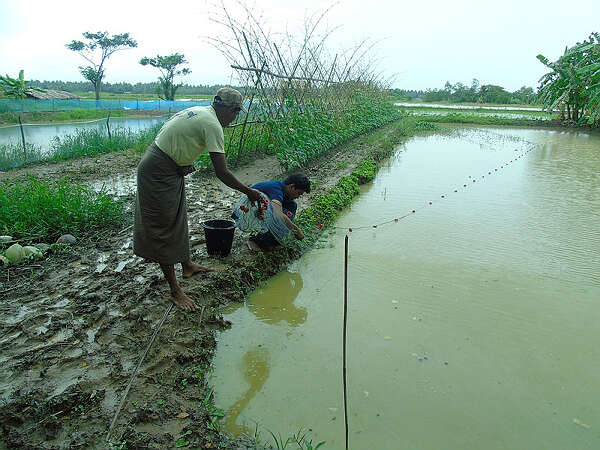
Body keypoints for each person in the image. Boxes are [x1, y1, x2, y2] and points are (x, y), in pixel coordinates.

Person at [134, 87, 262, 312]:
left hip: (168, 167)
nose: (235, 117)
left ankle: (187, 265)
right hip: (158, 171)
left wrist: (181, 163)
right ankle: (175, 291)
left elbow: (177, 140)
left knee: (178, 217)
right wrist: (248, 191)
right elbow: (221, 172)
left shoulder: (202, 112)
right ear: (224, 107)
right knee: (165, 227)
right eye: (235, 111)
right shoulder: (212, 124)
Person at [246, 173, 311, 252]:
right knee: (280, 217)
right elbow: (277, 215)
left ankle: (277, 235)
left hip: (262, 206)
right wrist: (295, 230)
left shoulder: (283, 188)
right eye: (299, 193)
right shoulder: (276, 190)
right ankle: (255, 240)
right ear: (292, 186)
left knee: (292, 205)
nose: (298, 197)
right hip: (249, 210)